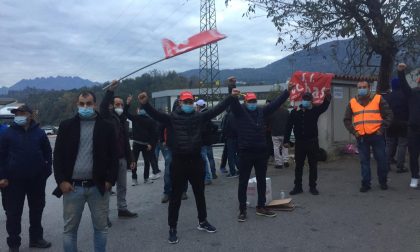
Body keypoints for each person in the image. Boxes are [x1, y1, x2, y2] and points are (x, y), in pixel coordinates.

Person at [138, 89, 238, 244]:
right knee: (175, 196)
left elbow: (217, 109)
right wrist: (145, 104)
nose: (188, 104)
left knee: (200, 193)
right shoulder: (171, 118)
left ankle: (203, 221)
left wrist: (231, 96)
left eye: (190, 101)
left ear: (193, 102)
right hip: (178, 162)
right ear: (180, 102)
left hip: (196, 161)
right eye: (185, 102)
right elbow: (156, 115)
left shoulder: (199, 116)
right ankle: (172, 227)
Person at [53, 91, 119, 252]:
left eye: (88, 104)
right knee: (70, 230)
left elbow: (114, 157)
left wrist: (110, 181)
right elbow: (58, 156)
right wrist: (61, 181)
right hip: (72, 187)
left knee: (101, 228)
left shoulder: (107, 126)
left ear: (94, 105)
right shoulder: (66, 126)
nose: (85, 107)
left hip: (98, 187)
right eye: (82, 104)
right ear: (77, 105)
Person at [231, 83, 292, 222]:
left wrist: (287, 92)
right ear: (245, 102)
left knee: (261, 181)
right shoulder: (240, 112)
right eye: (249, 101)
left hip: (260, 152)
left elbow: (276, 104)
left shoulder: (261, 111)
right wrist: (231, 87)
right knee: (243, 182)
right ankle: (242, 209)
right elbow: (233, 103)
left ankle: (261, 206)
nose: (252, 103)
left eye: (254, 101)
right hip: (245, 153)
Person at [0, 105, 52, 252]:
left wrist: (46, 171)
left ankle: (36, 239)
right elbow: (1, 157)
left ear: (30, 115)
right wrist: (2, 176)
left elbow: (48, 153)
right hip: (13, 182)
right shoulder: (7, 134)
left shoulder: (40, 133)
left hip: (36, 180)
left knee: (37, 210)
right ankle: (14, 244)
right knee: (13, 213)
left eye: (22, 113)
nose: (19, 115)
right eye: (16, 113)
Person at [343, 81, 393, 192]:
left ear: (369, 88)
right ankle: (366, 183)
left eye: (364, 87)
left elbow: (389, 115)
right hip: (361, 137)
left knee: (381, 160)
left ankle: (383, 181)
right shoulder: (352, 102)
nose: (362, 89)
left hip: (377, 135)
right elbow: (346, 119)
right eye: (360, 87)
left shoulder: (378, 99)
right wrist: (354, 132)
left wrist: (381, 130)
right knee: (364, 161)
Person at [100, 82, 138, 220]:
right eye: (117, 105)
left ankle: (122, 209)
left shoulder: (121, 121)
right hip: (110, 160)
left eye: (122, 105)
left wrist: (131, 158)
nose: (120, 107)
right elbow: (103, 107)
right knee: (107, 188)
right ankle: (104, 215)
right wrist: (110, 90)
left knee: (122, 187)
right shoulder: (106, 118)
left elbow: (126, 143)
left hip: (122, 159)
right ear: (111, 105)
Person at [285, 91, 331, 195]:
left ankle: (313, 187)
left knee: (313, 165)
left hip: (312, 142)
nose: (306, 101)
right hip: (300, 143)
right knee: (299, 166)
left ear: (311, 101)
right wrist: (286, 140)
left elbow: (324, 106)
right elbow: (288, 126)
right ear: (302, 99)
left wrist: (327, 96)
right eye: (304, 99)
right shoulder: (295, 112)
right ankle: (297, 187)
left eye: (308, 99)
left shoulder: (315, 110)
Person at [125, 96, 161, 185]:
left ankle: (135, 179)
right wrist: (151, 144)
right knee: (146, 162)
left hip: (137, 143)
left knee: (135, 162)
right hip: (145, 144)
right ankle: (145, 178)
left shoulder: (135, 118)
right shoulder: (150, 120)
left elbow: (125, 113)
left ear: (138, 110)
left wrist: (128, 104)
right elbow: (154, 134)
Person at [398, 63, 420, 188]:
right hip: (414, 129)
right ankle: (414, 177)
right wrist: (401, 72)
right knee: (413, 155)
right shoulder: (413, 94)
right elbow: (404, 86)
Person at [381, 77, 409, 173]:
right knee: (402, 145)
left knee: (389, 144)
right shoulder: (406, 95)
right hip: (403, 123)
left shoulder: (387, 97)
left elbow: (383, 111)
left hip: (390, 123)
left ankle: (386, 164)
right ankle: (400, 166)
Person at [196, 99, 219, 184]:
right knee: (210, 158)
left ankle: (208, 177)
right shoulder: (208, 114)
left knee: (204, 159)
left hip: (203, 141)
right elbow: (214, 126)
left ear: (199, 106)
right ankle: (213, 173)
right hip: (208, 140)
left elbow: (203, 129)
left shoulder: (201, 116)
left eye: (197, 106)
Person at [268, 103, 290, 169]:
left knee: (276, 148)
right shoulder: (286, 111)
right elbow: (289, 122)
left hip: (275, 133)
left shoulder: (272, 112)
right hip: (285, 133)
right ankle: (285, 160)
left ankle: (279, 163)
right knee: (285, 147)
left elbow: (269, 122)